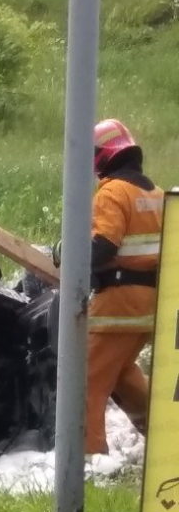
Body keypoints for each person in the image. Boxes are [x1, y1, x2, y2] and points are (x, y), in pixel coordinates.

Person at [84, 119, 163, 456]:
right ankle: (165, 437)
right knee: (121, 373)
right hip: (149, 305)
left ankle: (88, 460)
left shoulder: (113, 192)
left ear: (102, 157)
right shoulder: (155, 194)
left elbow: (103, 247)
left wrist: (67, 253)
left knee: (85, 382)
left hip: (118, 303)